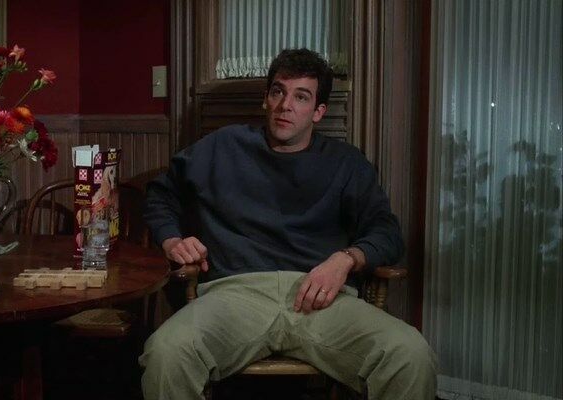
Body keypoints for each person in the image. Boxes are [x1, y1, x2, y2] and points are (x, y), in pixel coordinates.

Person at [140, 48, 437, 400]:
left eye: (301, 97)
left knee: (410, 354)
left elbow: (386, 232)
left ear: (318, 111)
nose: (286, 105)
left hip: (322, 299)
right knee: (166, 352)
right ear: (266, 99)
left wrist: (346, 260)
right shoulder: (223, 146)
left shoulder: (346, 163)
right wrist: (172, 240)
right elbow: (160, 194)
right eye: (278, 92)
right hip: (235, 295)